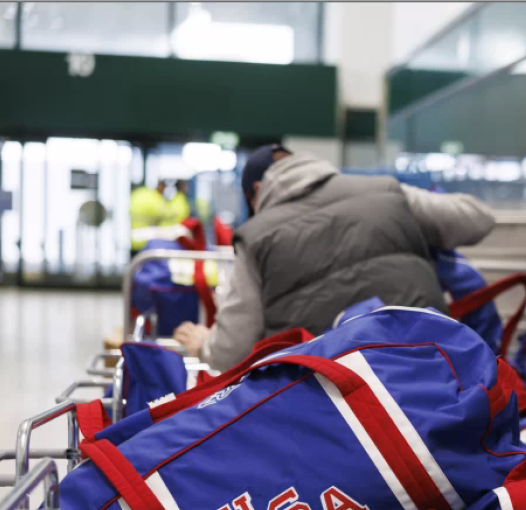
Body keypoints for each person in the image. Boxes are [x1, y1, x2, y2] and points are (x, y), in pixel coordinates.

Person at [173, 144, 496, 370]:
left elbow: (233, 351)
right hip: (431, 371)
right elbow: (478, 220)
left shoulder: (256, 236)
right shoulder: (386, 191)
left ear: (257, 191)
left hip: (324, 399)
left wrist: (204, 345)